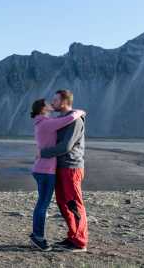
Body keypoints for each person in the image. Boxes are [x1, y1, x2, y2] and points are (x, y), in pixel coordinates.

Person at [29, 98, 86, 251]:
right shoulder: (46, 123)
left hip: (43, 169)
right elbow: (68, 119)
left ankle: (71, 237)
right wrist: (79, 112)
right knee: (43, 205)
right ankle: (38, 237)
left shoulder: (42, 122)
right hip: (45, 170)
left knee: (44, 203)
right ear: (43, 109)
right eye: (48, 103)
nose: (51, 104)